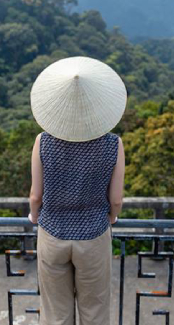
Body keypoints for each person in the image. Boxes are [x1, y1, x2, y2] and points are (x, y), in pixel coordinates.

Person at [27, 55, 127, 325]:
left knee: (55, 314)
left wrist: (35, 217)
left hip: (52, 233)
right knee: (94, 312)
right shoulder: (112, 144)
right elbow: (115, 201)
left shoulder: (43, 142)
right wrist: (110, 218)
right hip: (93, 235)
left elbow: (36, 195)